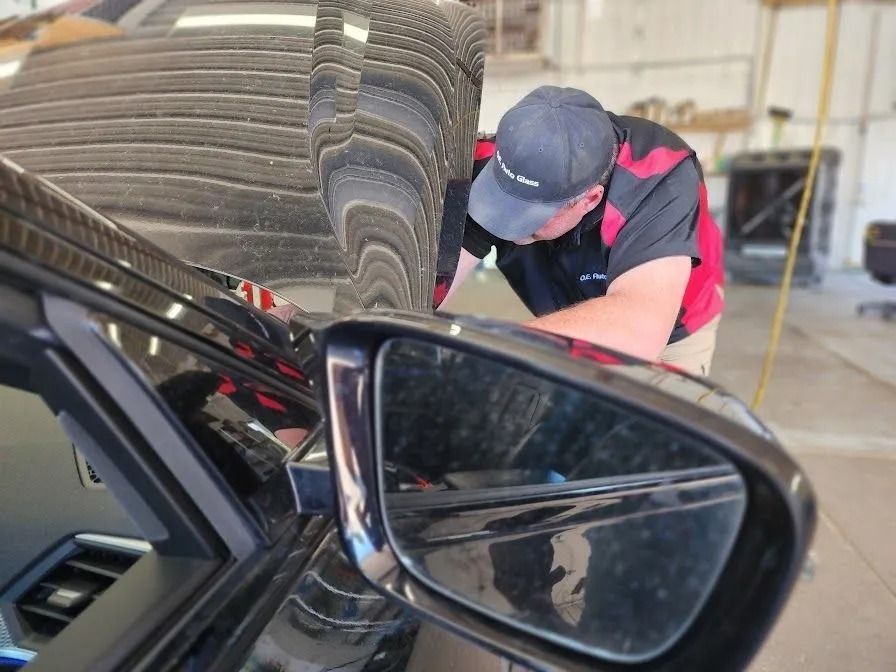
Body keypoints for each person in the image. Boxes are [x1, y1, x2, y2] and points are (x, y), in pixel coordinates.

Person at [442, 86, 725, 376]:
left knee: (648, 414)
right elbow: (434, 280)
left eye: (525, 214)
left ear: (589, 199)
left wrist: (489, 350)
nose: (507, 224)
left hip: (670, 328)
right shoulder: (495, 160)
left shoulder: (657, 179)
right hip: (567, 309)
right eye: (502, 201)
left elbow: (638, 329)